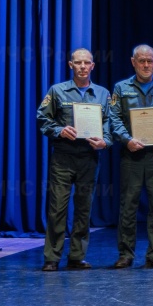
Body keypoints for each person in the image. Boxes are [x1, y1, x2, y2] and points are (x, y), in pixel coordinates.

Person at [37, 48, 112, 271]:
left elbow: (110, 122)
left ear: (92, 66)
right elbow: (42, 118)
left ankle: (77, 257)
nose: (82, 66)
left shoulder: (102, 94)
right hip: (63, 156)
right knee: (57, 208)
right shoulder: (57, 91)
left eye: (86, 63)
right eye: (77, 63)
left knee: (83, 208)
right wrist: (59, 130)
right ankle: (52, 257)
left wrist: (105, 141)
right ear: (71, 65)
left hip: (89, 157)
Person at [109, 44, 153, 268]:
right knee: (128, 205)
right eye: (142, 61)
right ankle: (126, 253)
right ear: (133, 62)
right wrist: (126, 139)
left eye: (150, 60)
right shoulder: (121, 88)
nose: (146, 65)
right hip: (131, 154)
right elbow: (114, 119)